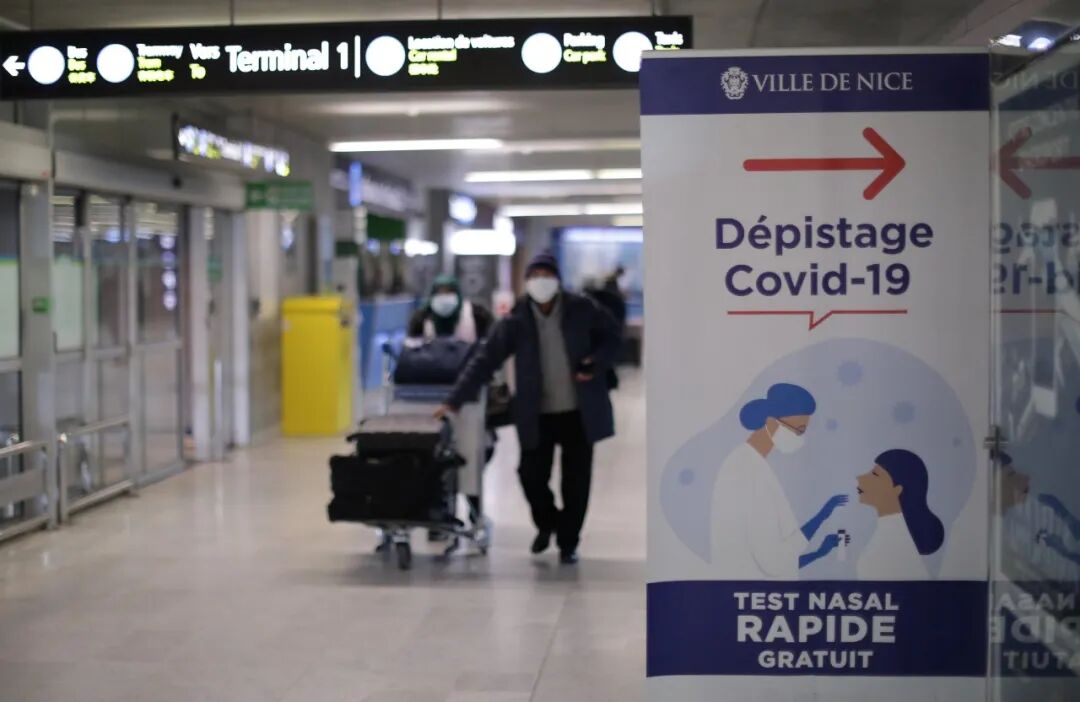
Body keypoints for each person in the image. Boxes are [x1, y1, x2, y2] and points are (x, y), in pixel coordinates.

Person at [436, 252, 621, 564]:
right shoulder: (516, 320)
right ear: (527, 282)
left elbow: (613, 337)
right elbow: (485, 360)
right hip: (537, 413)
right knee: (530, 475)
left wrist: (596, 361)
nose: (541, 282)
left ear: (558, 280)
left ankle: (568, 542)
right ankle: (547, 522)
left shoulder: (582, 308)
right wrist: (454, 400)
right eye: (535, 276)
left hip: (579, 412)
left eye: (547, 275)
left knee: (576, 481)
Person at [710, 383, 849, 578]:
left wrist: (819, 552)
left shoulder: (753, 464)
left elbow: (778, 559)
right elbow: (774, 562)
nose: (800, 438)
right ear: (772, 423)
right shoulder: (747, 470)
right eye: (799, 430)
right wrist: (821, 517)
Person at [855, 449, 945, 580]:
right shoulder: (889, 534)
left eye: (875, 474)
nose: (860, 478)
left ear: (897, 489)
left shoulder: (893, 543)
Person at [407, 273, 494, 343]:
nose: (444, 297)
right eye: (440, 293)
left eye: (448, 292)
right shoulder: (420, 319)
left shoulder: (478, 315)